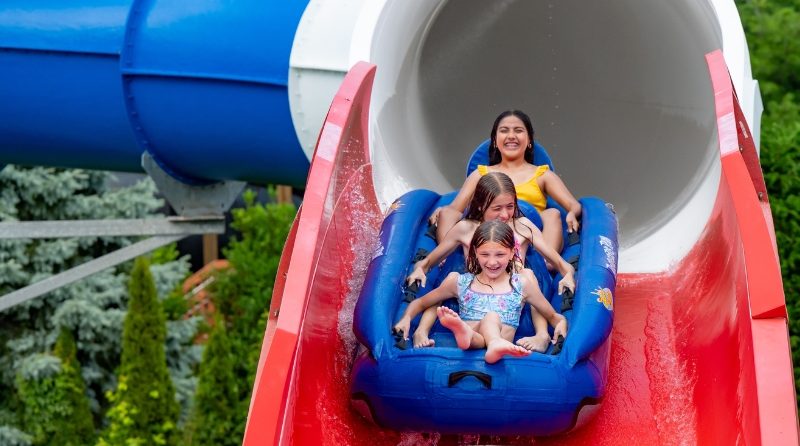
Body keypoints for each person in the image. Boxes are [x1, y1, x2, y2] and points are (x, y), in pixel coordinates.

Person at [406, 171, 576, 351]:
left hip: (512, 295)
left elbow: (559, 263)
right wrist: (420, 269)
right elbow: (428, 262)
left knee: (528, 275)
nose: (504, 214)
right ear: (480, 206)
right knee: (449, 279)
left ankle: (542, 335)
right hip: (475, 295)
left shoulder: (522, 226)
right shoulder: (466, 229)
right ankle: (422, 330)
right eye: (497, 208)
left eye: (510, 206)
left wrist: (568, 275)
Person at [394, 220, 568, 364]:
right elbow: (422, 302)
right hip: (475, 340)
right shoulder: (460, 282)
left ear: (511, 253)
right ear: (475, 253)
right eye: (485, 254)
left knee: (491, 318)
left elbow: (553, 316)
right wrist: (406, 319)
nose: (492, 262)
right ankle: (474, 336)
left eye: (499, 254)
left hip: (494, 337)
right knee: (478, 327)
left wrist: (561, 325)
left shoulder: (521, 284)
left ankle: (472, 335)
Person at [433, 110, 581, 259]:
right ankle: (447, 260)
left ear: (529, 140)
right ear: (495, 140)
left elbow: (573, 204)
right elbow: (455, 208)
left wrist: (572, 213)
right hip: (487, 237)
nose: (511, 136)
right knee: (447, 213)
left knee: (552, 213)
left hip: (528, 241)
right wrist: (443, 210)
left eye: (518, 131)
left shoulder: (543, 175)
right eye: (504, 131)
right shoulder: (480, 174)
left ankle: (545, 263)